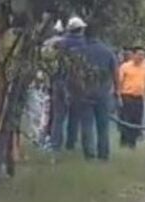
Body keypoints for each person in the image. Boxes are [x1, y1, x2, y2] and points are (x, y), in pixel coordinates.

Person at [75, 24, 119, 160]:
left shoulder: (80, 51)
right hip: (103, 93)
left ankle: (89, 154)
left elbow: (74, 72)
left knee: (87, 124)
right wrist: (117, 91)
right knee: (103, 125)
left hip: (84, 92)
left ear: (85, 35)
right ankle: (103, 154)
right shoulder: (107, 51)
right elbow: (116, 73)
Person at [52, 16, 87, 153]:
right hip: (76, 82)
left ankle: (55, 144)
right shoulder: (84, 44)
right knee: (75, 115)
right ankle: (70, 144)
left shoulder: (60, 43)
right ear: (81, 30)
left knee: (58, 116)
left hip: (59, 80)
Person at [118, 47, 145, 149]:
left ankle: (132, 142)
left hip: (139, 97)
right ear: (134, 55)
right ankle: (124, 140)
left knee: (137, 120)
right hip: (127, 96)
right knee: (127, 119)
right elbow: (120, 82)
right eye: (139, 54)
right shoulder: (125, 67)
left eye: (143, 55)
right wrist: (118, 96)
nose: (141, 57)